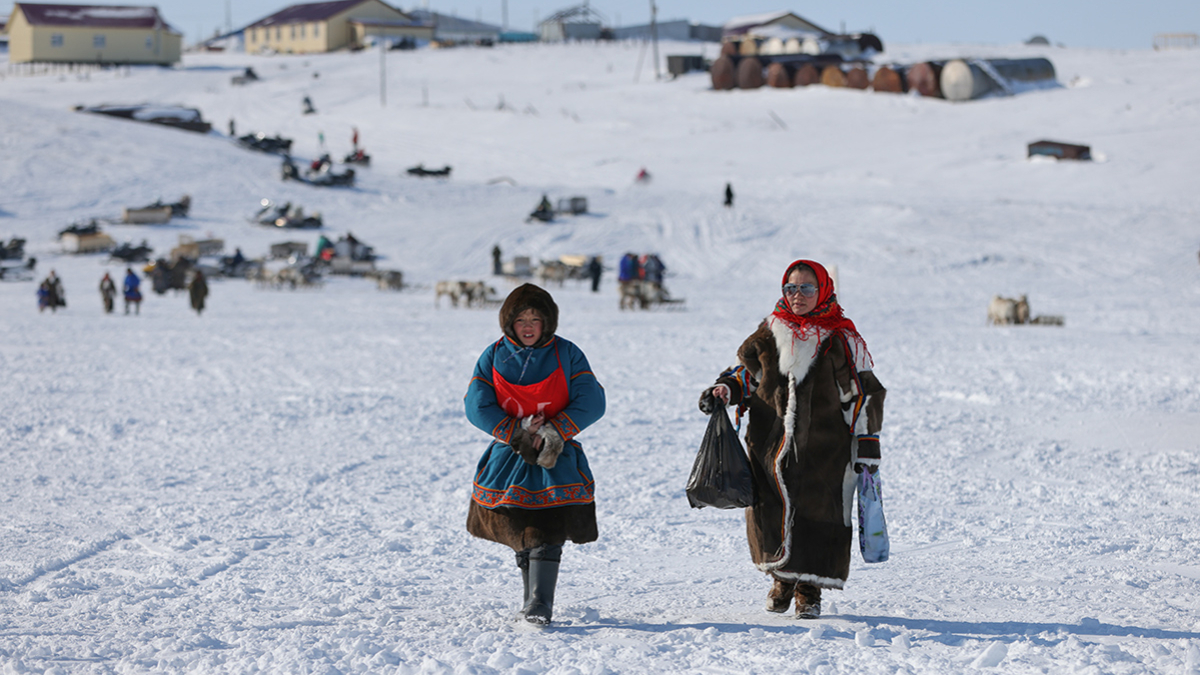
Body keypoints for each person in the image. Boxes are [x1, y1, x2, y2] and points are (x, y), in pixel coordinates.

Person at [698, 259, 886, 619]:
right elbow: (745, 376)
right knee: (771, 512)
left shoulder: (842, 340)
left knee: (818, 515)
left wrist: (867, 444)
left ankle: (808, 589)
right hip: (770, 446)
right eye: (791, 288)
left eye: (806, 288)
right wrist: (725, 389)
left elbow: (864, 396)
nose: (797, 295)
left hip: (825, 451)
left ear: (823, 291)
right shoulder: (769, 334)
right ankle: (781, 578)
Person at [464, 284, 606, 626]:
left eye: (536, 319)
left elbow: (592, 400)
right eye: (522, 319)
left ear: (548, 322)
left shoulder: (567, 353)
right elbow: (476, 404)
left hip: (556, 457)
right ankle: (531, 598)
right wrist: (517, 432)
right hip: (509, 457)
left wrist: (551, 432)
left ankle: (541, 603)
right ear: (509, 323)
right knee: (518, 527)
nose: (528, 326)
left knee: (549, 527)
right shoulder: (493, 355)